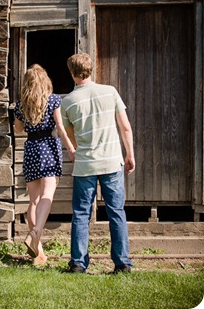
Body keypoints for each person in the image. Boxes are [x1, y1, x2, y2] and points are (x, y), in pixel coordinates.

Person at [61, 53, 135, 274]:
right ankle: (122, 264)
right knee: (116, 212)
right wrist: (129, 154)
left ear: (71, 73)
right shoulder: (110, 92)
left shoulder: (68, 102)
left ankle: (77, 264)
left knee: (81, 214)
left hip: (85, 165)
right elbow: (125, 127)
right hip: (112, 163)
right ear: (90, 70)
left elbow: (69, 134)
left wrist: (76, 150)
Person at [14, 64, 75, 265]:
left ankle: (38, 252)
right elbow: (60, 126)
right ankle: (36, 233)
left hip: (31, 148)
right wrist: (70, 148)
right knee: (48, 194)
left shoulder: (20, 105)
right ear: (45, 81)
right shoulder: (54, 100)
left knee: (33, 200)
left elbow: (20, 130)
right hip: (49, 147)